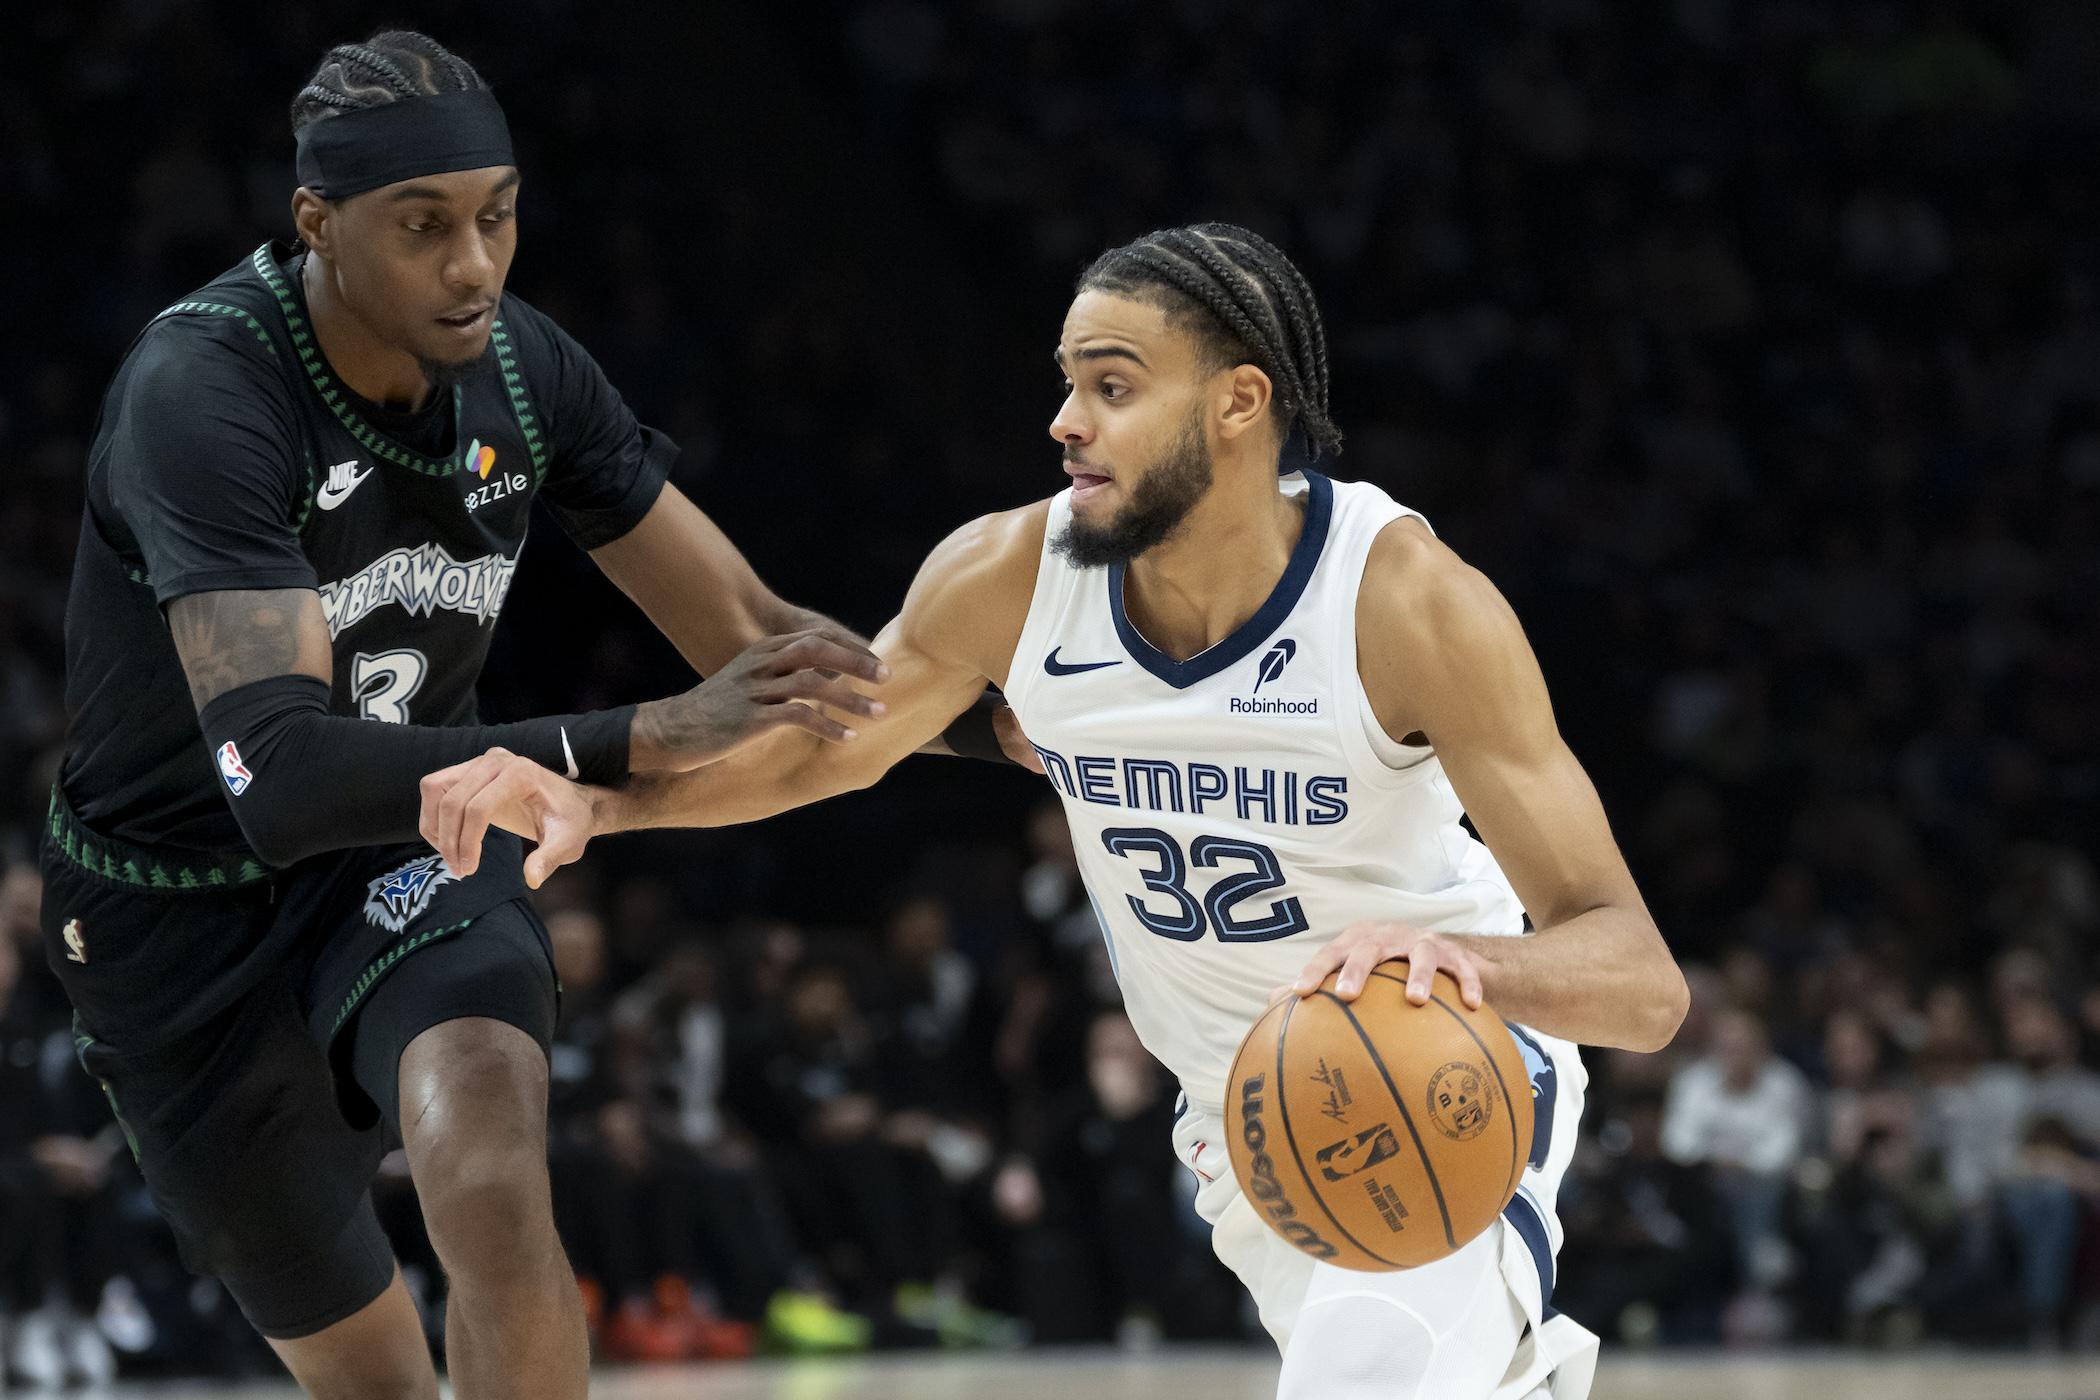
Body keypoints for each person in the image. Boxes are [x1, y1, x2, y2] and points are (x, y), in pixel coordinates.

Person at [427, 222, 1689, 1398]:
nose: (1065, 420)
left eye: (1113, 385)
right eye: (1069, 381)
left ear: (1239, 401)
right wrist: (602, 805)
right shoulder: (1006, 575)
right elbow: (822, 755)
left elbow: (1642, 982)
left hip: (1442, 1069)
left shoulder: (1405, 601)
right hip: (1244, 1113)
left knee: (1370, 1371)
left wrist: (1459, 962)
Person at [37, 29, 1016, 1399]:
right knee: (373, 1382)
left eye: (496, 215)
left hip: (417, 846)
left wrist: (986, 722)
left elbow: (753, 635)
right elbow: (283, 776)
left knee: (494, 1178)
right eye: (423, 225)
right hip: (173, 915)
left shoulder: (524, 370)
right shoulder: (204, 393)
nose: (474, 265)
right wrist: (636, 737)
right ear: (317, 223)